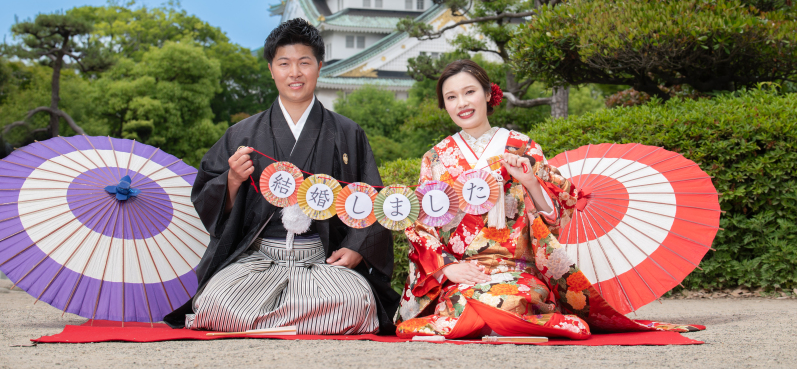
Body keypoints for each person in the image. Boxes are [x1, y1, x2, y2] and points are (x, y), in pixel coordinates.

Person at [394, 59, 701, 339]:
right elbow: (422, 226)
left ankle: (493, 322)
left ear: (489, 94)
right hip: (466, 270)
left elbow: (552, 220)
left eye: (469, 92)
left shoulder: (522, 146)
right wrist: (447, 269)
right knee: (461, 301)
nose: (462, 103)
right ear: (444, 104)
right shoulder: (435, 158)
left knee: (514, 299)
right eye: (451, 97)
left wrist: (530, 181)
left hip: (517, 269)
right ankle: (500, 322)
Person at [164, 19, 399, 334]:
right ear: (272, 70)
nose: (295, 73)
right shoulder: (242, 133)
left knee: (355, 301)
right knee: (215, 302)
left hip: (321, 261)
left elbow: (371, 196)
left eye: (304, 63)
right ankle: (307, 323)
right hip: (259, 259)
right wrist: (232, 180)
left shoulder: (347, 132)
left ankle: (265, 322)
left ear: (319, 66)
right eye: (284, 63)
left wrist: (358, 246)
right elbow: (208, 196)